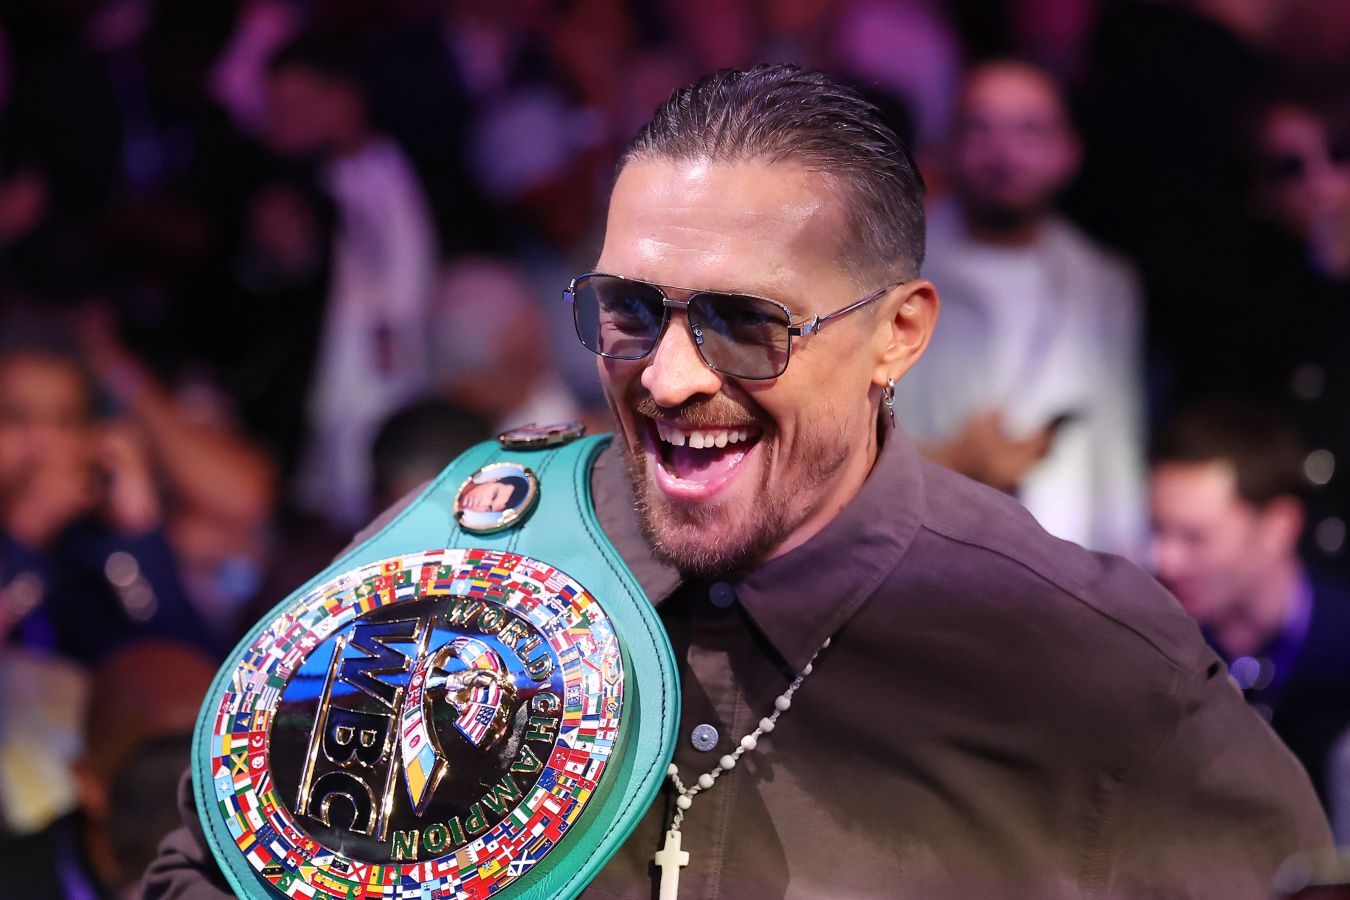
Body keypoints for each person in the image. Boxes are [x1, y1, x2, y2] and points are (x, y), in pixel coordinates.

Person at [143, 64, 1330, 899]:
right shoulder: (478, 547)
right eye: (628, 312)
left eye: (744, 323)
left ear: (899, 335)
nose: (667, 379)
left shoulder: (1083, 656)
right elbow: (212, 865)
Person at [893, 59, 1147, 559]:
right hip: (926, 563)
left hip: (1067, 570)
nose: (1003, 151)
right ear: (947, 145)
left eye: (1029, 130)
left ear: (1069, 151)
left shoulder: (1103, 282)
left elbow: (1118, 447)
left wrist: (1128, 571)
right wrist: (950, 461)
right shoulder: (893, 271)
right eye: (980, 127)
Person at [1150, 401, 1350, 819]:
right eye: (1158, 529)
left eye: (1195, 536)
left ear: (1279, 525)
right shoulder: (1149, 654)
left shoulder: (1340, 651)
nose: (1165, 560)